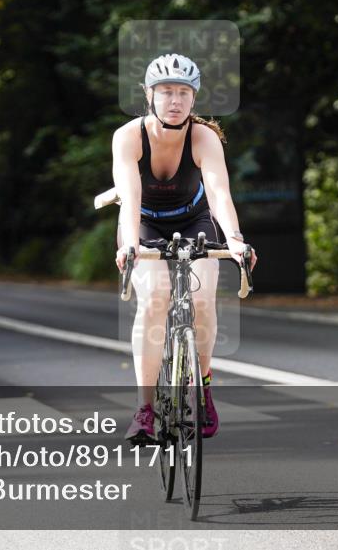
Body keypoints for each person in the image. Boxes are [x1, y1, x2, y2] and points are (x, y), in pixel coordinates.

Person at [112, 53, 257, 444]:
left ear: (194, 98)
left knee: (204, 300)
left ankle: (202, 389)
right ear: (149, 95)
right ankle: (145, 410)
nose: (174, 100)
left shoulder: (203, 137)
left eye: (183, 92)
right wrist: (128, 244)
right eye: (165, 92)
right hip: (143, 220)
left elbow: (219, 192)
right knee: (155, 297)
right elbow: (127, 196)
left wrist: (236, 240)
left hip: (195, 220)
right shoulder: (128, 136)